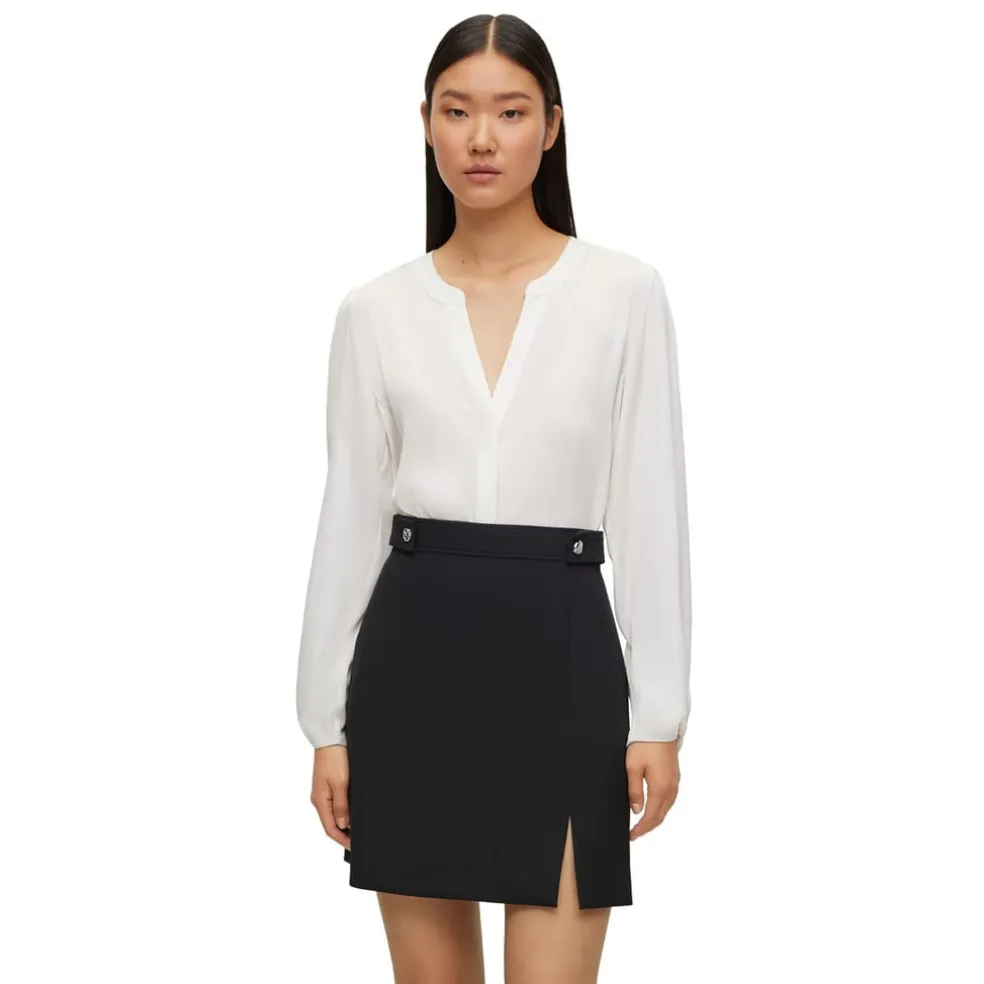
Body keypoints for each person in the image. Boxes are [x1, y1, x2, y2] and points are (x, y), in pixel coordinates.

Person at [295, 12, 692, 984]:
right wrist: (326, 726)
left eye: (510, 112)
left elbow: (652, 506)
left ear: (552, 126)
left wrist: (659, 716)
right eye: (457, 110)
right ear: (425, 123)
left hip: (564, 665)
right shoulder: (375, 310)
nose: (481, 138)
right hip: (412, 673)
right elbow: (349, 520)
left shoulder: (624, 293)